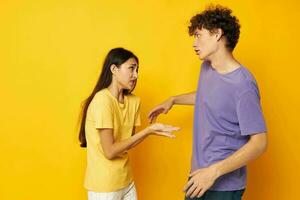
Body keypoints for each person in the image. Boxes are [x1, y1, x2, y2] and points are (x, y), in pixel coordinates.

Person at [148, 5, 267, 200]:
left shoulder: (243, 84)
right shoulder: (207, 67)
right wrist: (174, 100)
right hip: (198, 176)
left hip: (223, 185)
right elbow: (209, 96)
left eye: (198, 35)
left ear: (217, 34)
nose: (194, 43)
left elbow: (260, 143)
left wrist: (213, 172)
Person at [78, 47, 179, 200]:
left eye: (137, 70)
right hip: (104, 186)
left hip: (126, 181)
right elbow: (110, 152)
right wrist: (148, 131)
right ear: (114, 69)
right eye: (131, 68)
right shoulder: (102, 101)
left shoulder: (134, 101)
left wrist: (150, 132)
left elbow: (127, 143)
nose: (136, 75)